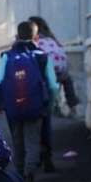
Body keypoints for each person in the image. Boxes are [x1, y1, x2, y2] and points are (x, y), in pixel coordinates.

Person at [0, 21, 58, 182]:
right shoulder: (42, 56)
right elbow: (52, 86)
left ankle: (19, 178)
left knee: (17, 142)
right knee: (33, 142)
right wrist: (50, 104)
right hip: (36, 108)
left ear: (16, 37)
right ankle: (29, 175)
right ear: (36, 37)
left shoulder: (7, 56)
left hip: (13, 107)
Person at [29, 15, 79, 172]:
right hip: (53, 84)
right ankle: (47, 156)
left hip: (34, 86)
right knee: (46, 121)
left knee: (32, 124)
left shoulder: (32, 41)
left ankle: (34, 157)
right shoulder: (53, 41)